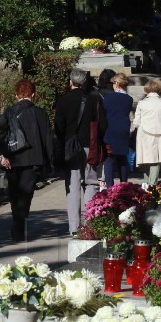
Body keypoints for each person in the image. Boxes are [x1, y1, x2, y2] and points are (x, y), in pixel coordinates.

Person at [0, 79, 54, 242]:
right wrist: (49, 162)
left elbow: (0, 135)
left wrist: (4, 154)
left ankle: (17, 224)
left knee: (14, 193)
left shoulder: (9, 112)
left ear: (16, 95)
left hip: (13, 159)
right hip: (33, 159)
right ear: (33, 94)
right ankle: (20, 224)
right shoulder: (41, 114)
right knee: (26, 195)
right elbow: (48, 139)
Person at [54, 68, 108, 236]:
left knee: (73, 185)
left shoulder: (63, 100)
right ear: (84, 82)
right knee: (91, 183)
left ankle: (73, 227)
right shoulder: (95, 98)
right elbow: (103, 124)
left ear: (71, 82)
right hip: (90, 145)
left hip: (71, 147)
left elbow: (58, 126)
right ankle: (91, 224)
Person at [131, 78, 161, 182]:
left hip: (145, 134)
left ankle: (147, 184)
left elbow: (136, 121)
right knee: (156, 159)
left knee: (145, 160)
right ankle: (153, 184)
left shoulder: (142, 103)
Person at [101, 73, 134, 188]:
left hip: (110, 129)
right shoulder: (129, 99)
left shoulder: (108, 98)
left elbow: (104, 113)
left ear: (116, 83)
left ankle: (110, 186)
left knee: (109, 159)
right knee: (122, 158)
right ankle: (124, 184)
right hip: (123, 129)